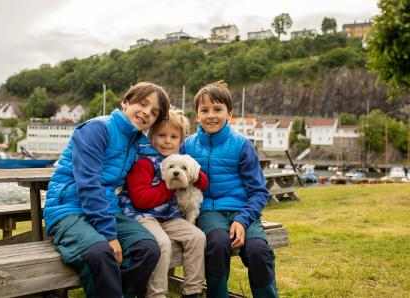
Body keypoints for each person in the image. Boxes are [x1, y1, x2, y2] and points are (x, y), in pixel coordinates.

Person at [43, 82, 170, 298]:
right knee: (100, 252)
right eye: (143, 103)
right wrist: (109, 235)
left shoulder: (137, 142)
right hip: (68, 210)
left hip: (107, 209)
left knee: (147, 249)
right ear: (125, 102)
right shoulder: (96, 129)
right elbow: (89, 184)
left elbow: (165, 155)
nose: (146, 112)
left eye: (154, 112)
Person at [182, 81, 278, 298]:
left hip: (243, 211)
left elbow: (259, 191)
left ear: (229, 114)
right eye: (204, 110)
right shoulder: (188, 146)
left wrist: (243, 220)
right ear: (197, 115)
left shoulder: (242, 145)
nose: (211, 115)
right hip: (208, 211)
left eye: (218, 109)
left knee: (258, 251)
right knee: (217, 245)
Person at [120, 109, 207, 298]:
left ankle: (193, 290)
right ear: (151, 136)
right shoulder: (144, 162)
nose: (167, 141)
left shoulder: (180, 160)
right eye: (161, 135)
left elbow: (202, 182)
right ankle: (156, 294)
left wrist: (194, 175)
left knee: (197, 237)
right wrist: (170, 186)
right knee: (162, 243)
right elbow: (141, 200)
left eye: (173, 137)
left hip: (168, 216)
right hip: (142, 215)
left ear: (180, 141)